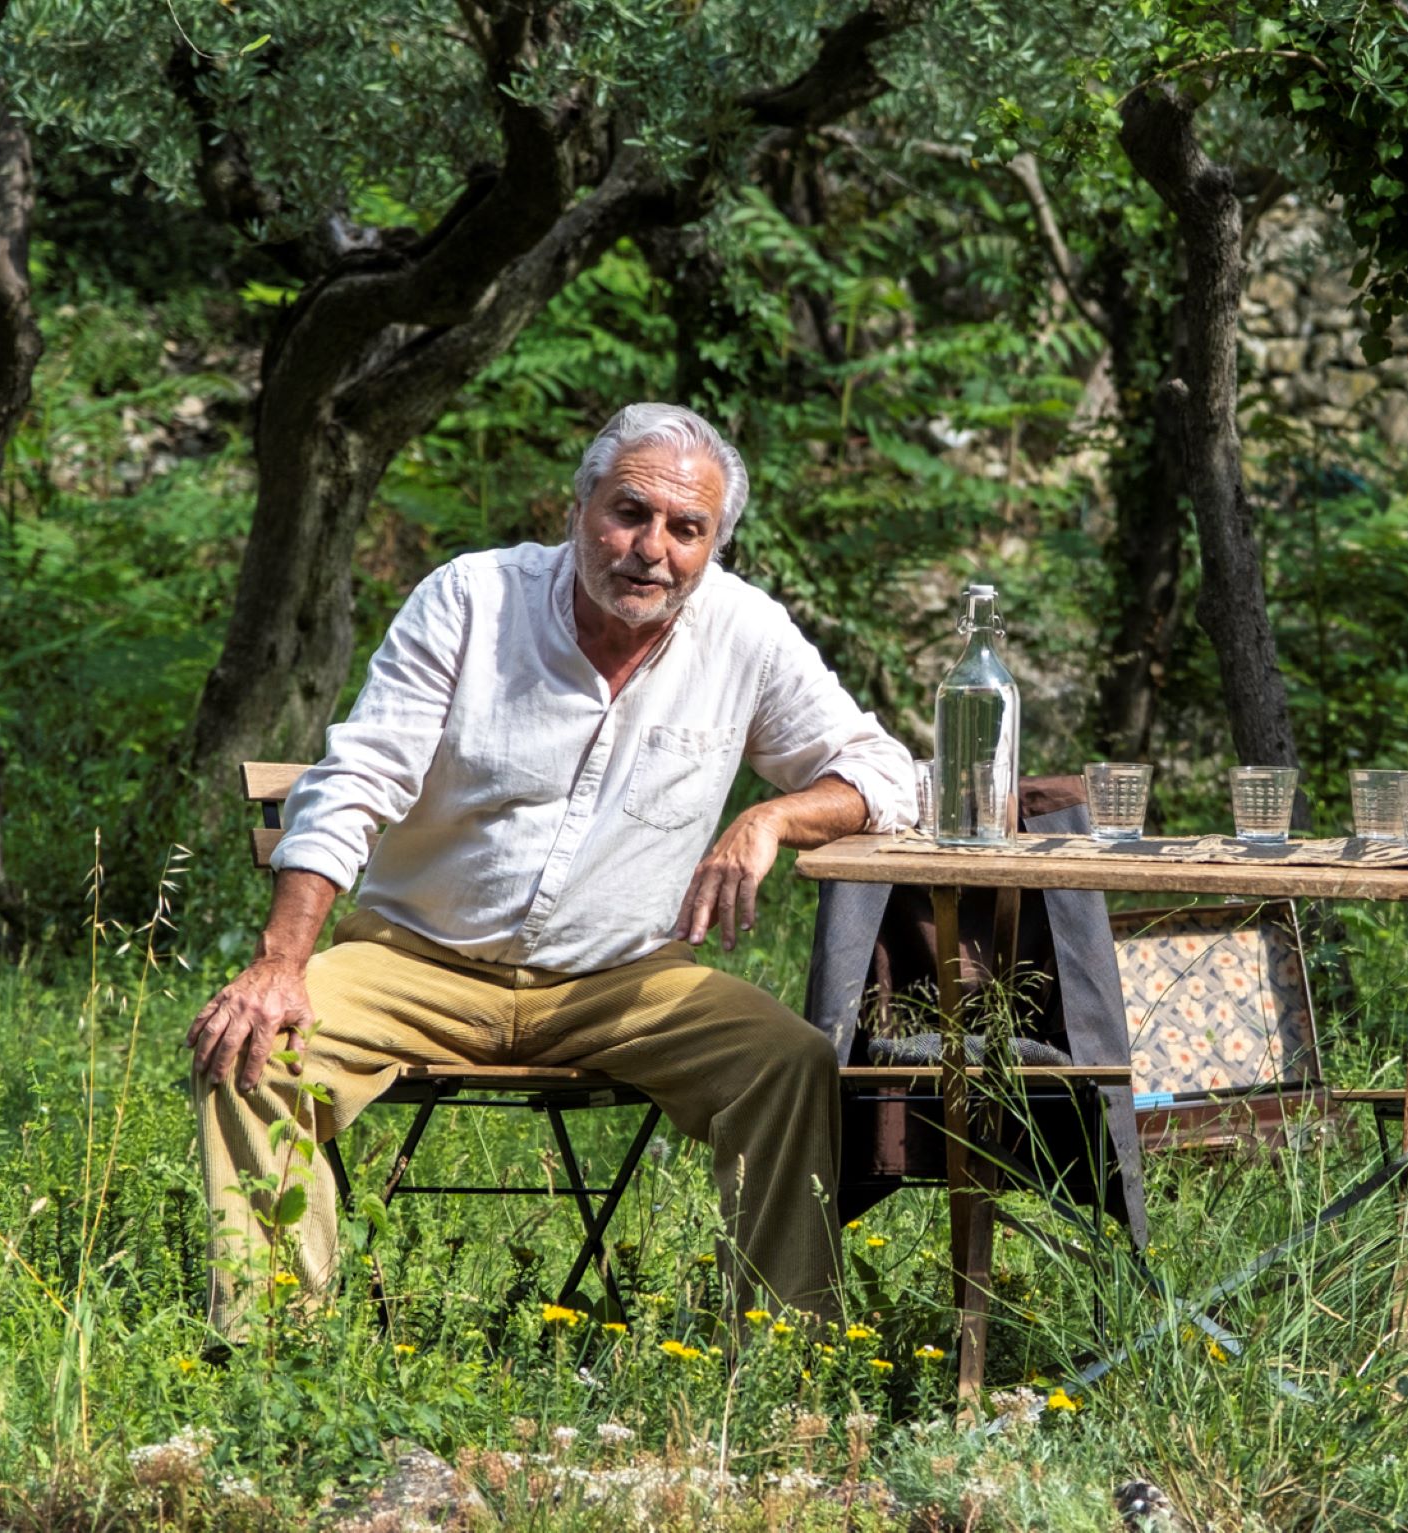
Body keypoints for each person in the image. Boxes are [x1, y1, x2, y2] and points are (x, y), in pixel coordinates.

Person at [186, 402, 916, 1336]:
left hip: (623, 983)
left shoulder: (745, 632)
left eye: (686, 528)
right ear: (579, 508)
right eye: (630, 512)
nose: (651, 548)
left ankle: (784, 1362)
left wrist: (775, 813)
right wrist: (281, 961)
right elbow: (356, 779)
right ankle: (276, 1356)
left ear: (713, 545)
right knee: (252, 1052)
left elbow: (888, 772)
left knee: (790, 1062)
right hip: (419, 962)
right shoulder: (472, 600)